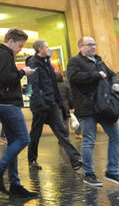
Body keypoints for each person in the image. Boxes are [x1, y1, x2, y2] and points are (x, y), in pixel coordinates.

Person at [67, 36, 119, 188]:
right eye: (89, 45)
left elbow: (113, 75)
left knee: (117, 136)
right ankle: (89, 174)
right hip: (87, 108)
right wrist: (95, 75)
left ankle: (112, 171)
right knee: (89, 140)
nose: (93, 47)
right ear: (81, 47)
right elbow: (74, 78)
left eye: (94, 44)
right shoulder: (75, 62)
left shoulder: (100, 61)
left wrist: (116, 83)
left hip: (105, 107)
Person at [0, 29, 37, 198]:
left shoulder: (2, 55)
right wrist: (23, 72)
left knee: (13, 142)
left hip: (5, 101)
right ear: (11, 41)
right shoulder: (4, 54)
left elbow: (3, 79)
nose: (20, 49)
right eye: (20, 46)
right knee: (23, 139)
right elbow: (8, 77)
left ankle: (15, 184)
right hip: (7, 104)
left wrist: (17, 86)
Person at [26, 40, 82, 172]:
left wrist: (59, 103)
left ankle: (75, 160)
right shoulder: (34, 63)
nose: (48, 48)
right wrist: (39, 102)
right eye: (46, 46)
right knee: (36, 133)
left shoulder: (48, 63)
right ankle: (32, 159)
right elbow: (33, 85)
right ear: (39, 49)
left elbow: (53, 85)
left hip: (52, 104)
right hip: (41, 105)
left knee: (62, 131)